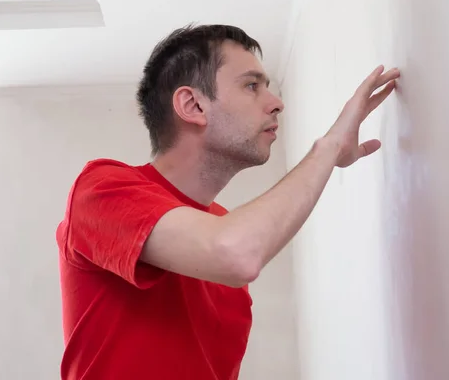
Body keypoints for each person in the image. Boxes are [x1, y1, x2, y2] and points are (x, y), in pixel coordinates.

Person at [56, 23, 400, 380]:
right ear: (193, 105)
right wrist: (327, 148)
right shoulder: (101, 189)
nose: (276, 103)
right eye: (252, 86)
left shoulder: (223, 227)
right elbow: (236, 252)